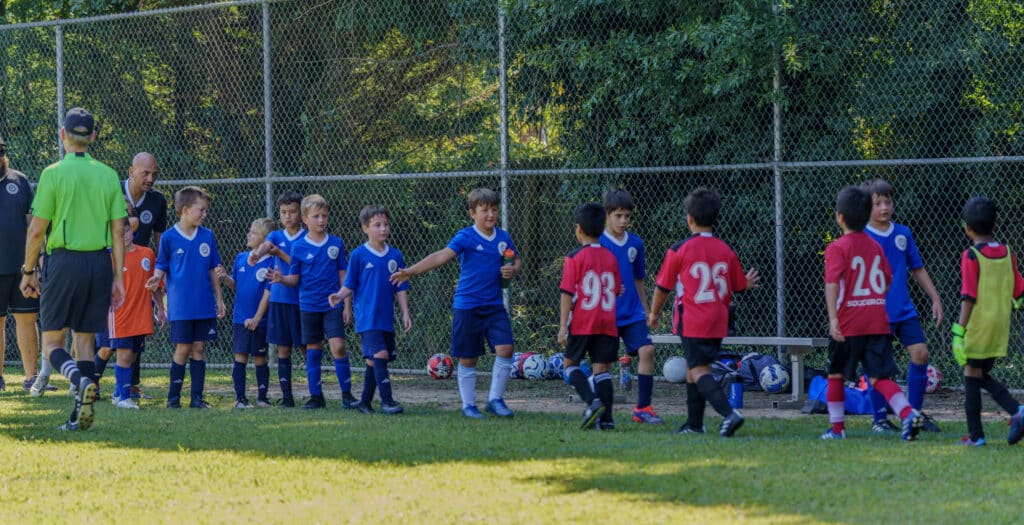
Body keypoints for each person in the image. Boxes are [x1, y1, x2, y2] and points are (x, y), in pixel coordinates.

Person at [20, 107, 127, 430]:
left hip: (65, 262)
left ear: (62, 134)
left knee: (53, 343)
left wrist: (28, 272)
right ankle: (80, 418)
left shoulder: (54, 173)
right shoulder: (108, 175)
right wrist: (119, 277)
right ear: (93, 137)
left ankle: (81, 381)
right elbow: (118, 232)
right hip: (99, 263)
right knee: (85, 341)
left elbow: (37, 230)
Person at [391, 188, 522, 419]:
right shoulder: (466, 236)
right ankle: (469, 405)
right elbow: (441, 256)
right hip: (467, 306)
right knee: (468, 357)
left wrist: (513, 269)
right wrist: (411, 271)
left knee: (506, 348)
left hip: (494, 306)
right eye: (484, 211)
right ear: (473, 213)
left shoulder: (503, 237)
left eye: (493, 209)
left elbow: (516, 259)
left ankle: (495, 400)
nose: (490, 215)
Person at [647, 187, 758, 437]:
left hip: (694, 320)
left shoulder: (680, 249)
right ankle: (694, 424)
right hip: (718, 321)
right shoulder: (725, 249)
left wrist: (653, 314)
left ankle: (730, 414)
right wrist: (746, 283)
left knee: (699, 371)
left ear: (689, 218)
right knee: (693, 369)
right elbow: (739, 285)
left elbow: (663, 286)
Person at [820, 185, 923, 441]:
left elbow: (832, 284)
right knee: (879, 377)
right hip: (877, 321)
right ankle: (908, 413)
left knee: (835, 375)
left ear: (839, 217)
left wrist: (833, 318)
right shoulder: (875, 246)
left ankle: (837, 430)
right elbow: (886, 279)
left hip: (848, 323)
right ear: (867, 213)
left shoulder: (837, 248)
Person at [862, 179, 943, 433]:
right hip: (875, 312)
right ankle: (880, 421)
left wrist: (935, 298)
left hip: (904, 310)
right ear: (867, 207)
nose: (885, 207)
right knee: (878, 367)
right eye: (878, 203)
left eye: (888, 202)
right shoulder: (860, 236)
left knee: (920, 354)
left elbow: (916, 267)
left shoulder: (903, 233)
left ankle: (914, 416)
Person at [267, 194, 356, 410]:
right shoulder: (298, 247)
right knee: (313, 349)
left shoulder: (336, 243)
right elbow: (295, 279)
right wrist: (281, 279)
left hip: (332, 306)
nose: (321, 220)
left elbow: (344, 276)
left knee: (338, 347)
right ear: (305, 219)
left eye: (324, 216)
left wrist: (346, 305)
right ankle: (316, 397)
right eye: (316, 216)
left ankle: (347, 395)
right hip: (308, 306)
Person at [952, 197, 1024, 446]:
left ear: (966, 227)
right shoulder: (1008, 253)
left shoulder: (971, 255)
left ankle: (978, 435)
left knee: (971, 373)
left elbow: (969, 297)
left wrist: (959, 331)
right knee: (979, 372)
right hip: (1000, 327)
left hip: (979, 326)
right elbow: (1019, 291)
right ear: (995, 224)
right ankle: (1015, 412)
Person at [145, 186, 225, 409]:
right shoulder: (169, 237)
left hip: (203, 304)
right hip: (181, 306)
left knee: (199, 348)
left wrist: (219, 298)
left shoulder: (207, 236)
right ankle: (173, 399)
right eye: (201, 210)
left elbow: (213, 269)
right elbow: (161, 265)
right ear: (186, 210)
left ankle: (197, 399)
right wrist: (156, 278)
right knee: (183, 348)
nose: (205, 214)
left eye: (206, 210)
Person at [328, 205, 412, 415]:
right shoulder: (358, 255)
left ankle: (365, 403)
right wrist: (339, 295)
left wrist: (405, 313)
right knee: (380, 354)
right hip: (367, 318)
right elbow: (350, 284)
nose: (383, 229)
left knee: (375, 361)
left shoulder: (395, 255)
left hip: (386, 319)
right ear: (365, 228)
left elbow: (400, 288)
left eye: (385, 224)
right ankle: (387, 401)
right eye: (377, 225)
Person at [599, 188, 662, 425]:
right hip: (607, 313)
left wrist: (647, 311)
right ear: (607, 214)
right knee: (602, 363)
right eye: (618, 216)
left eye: (627, 216)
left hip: (633, 313)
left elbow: (638, 280)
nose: (624, 221)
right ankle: (603, 412)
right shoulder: (598, 243)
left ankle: (643, 408)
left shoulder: (636, 243)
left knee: (647, 351)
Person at [559, 203, 622, 430]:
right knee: (602, 369)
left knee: (569, 365)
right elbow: (615, 289)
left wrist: (562, 327)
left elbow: (567, 293)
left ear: (578, 229)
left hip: (583, 320)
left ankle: (592, 401)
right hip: (607, 321)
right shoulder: (611, 257)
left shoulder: (574, 258)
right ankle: (607, 420)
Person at [94, 217, 165, 409]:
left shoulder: (147, 254)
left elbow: (156, 285)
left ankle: (118, 393)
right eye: (118, 232)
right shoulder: (109, 258)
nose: (123, 235)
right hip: (119, 314)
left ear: (132, 231)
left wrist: (160, 308)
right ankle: (125, 398)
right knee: (123, 355)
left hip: (141, 315)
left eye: (126, 231)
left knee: (133, 355)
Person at [118, 152, 168, 401]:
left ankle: (132, 387)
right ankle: (89, 383)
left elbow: (161, 241)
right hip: (113, 270)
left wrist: (161, 272)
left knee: (137, 329)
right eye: (145, 173)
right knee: (104, 337)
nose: (150, 178)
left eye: (154, 174)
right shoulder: (112, 192)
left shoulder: (158, 200)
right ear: (131, 172)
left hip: (142, 273)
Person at [249, 191, 305, 407]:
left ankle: (315, 394)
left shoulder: (306, 238)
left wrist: (279, 254)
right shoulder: (276, 236)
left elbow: (297, 266)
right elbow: (266, 245)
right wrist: (258, 253)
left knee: (305, 347)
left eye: (292, 212)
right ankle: (287, 397)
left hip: (301, 301)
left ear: (301, 213)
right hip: (279, 300)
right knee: (283, 349)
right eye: (284, 212)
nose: (288, 216)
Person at [0, 135, 43, 392]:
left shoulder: (19, 180)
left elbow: (33, 223)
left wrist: (36, 261)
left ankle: (31, 378)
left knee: (27, 319)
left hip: (22, 267)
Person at [220, 218, 275, 409]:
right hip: (240, 318)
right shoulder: (241, 257)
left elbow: (267, 294)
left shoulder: (272, 262)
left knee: (260, 357)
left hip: (260, 319)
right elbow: (236, 285)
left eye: (253, 232)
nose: (248, 235)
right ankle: (240, 399)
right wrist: (226, 278)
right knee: (240, 356)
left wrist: (257, 317)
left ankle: (262, 398)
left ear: (265, 238)